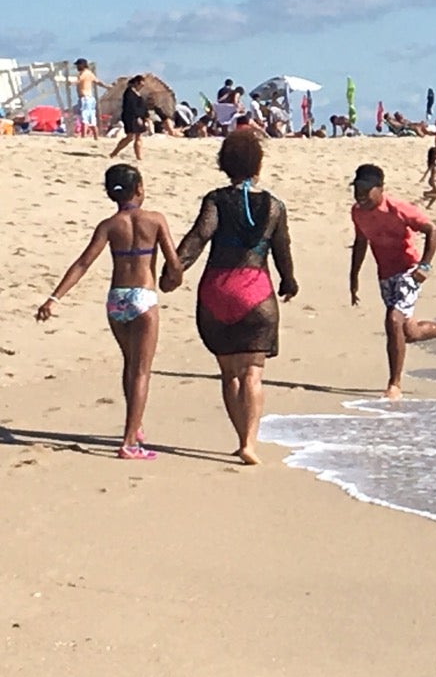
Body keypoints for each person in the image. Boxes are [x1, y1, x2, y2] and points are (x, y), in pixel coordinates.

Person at [166, 130, 298, 465]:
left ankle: (240, 433)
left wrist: (174, 271)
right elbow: (282, 249)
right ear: (258, 164)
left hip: (217, 292)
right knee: (253, 371)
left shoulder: (216, 200)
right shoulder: (274, 206)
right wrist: (289, 281)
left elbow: (199, 237)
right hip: (256, 292)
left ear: (225, 164)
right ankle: (248, 442)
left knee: (230, 374)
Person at [36, 164, 183, 458]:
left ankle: (135, 424)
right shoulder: (154, 220)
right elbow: (174, 262)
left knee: (130, 364)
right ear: (139, 188)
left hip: (116, 299)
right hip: (143, 297)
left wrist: (54, 298)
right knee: (142, 371)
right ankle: (129, 442)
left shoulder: (109, 225)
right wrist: (171, 280)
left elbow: (82, 263)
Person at [349, 163, 436, 398]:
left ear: (380, 189)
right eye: (356, 189)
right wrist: (353, 277)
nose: (360, 195)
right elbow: (361, 242)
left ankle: (394, 384)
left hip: (408, 269)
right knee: (408, 332)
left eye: (365, 190)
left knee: (393, 319)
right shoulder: (358, 212)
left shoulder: (397, 209)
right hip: (385, 274)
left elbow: (433, 230)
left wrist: (425, 265)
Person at [109, 74, 151, 161]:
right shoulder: (129, 93)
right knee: (130, 137)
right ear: (136, 83)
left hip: (139, 117)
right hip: (131, 117)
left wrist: (145, 117)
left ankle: (138, 156)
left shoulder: (137, 94)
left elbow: (142, 106)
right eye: (141, 84)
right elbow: (131, 107)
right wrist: (138, 117)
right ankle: (114, 152)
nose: (141, 87)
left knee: (138, 137)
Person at [74, 58, 99, 140]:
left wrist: (71, 82)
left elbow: (79, 80)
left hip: (84, 98)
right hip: (90, 98)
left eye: (78, 65)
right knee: (92, 118)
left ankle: (84, 136)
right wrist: (106, 86)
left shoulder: (83, 73)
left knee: (84, 118)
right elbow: (97, 81)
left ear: (82, 65)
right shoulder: (90, 73)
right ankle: (96, 137)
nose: (77, 67)